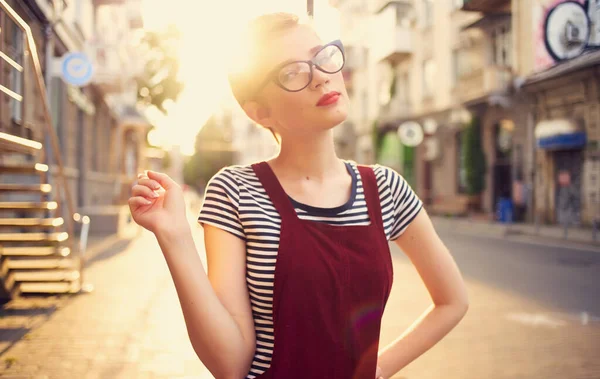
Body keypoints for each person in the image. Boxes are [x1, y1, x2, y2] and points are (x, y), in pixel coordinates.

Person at [129, 12, 469, 379]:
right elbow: (230, 365)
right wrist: (175, 237)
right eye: (292, 72)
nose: (321, 75)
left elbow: (452, 301)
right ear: (259, 112)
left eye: (322, 56)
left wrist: (377, 369)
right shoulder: (236, 191)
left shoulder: (386, 189)